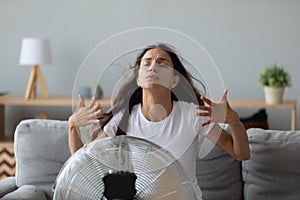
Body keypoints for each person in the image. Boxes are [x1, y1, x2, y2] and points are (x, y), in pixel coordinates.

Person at [68, 43, 250, 199]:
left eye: (161, 64)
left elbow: (241, 153)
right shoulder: (124, 118)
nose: (153, 67)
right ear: (139, 78)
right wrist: (72, 126)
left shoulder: (193, 114)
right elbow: (82, 162)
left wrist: (234, 121)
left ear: (174, 81)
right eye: (147, 63)